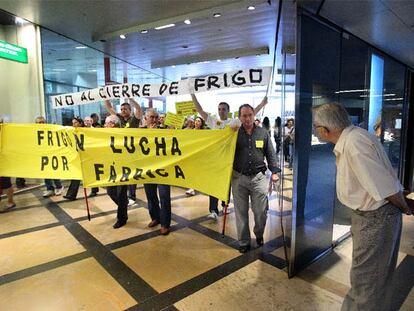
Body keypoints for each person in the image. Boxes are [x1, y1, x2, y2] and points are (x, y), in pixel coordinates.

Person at [312, 103, 414, 311]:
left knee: (369, 282)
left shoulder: (354, 144)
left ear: (325, 129)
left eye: (316, 126)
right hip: (370, 217)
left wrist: (405, 207)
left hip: (375, 218)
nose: (315, 130)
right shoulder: (354, 137)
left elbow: (385, 188)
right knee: (367, 279)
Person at [191, 93, 270, 219]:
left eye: (224, 109)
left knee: (226, 184)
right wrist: (192, 95)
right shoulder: (213, 121)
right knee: (214, 184)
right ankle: (213, 210)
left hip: (230, 159)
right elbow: (200, 110)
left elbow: (250, 114)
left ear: (228, 111)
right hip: (216, 159)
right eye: (219, 109)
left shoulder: (234, 122)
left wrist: (262, 104)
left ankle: (225, 204)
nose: (221, 111)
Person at [232, 104, 280, 253]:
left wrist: (274, 171)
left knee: (260, 211)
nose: (247, 118)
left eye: (249, 115)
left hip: (259, 177)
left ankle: (259, 234)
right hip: (238, 177)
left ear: (254, 115)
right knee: (241, 212)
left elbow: (271, 153)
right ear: (239, 117)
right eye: (244, 115)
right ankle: (244, 241)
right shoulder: (233, 134)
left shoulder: (263, 133)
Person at [105, 98, 142, 205]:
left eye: (125, 109)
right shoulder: (118, 118)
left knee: (130, 176)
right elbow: (109, 107)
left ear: (130, 110)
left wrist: (130, 97)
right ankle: (125, 201)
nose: (123, 111)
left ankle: (132, 197)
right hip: (119, 154)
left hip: (131, 153)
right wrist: (105, 96)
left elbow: (138, 108)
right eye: (121, 109)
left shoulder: (134, 120)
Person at [141, 109, 172, 235]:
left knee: (164, 196)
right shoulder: (140, 132)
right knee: (150, 195)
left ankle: (165, 224)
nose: (154, 120)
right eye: (151, 117)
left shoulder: (164, 131)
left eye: (156, 117)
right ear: (145, 118)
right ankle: (155, 217)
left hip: (163, 169)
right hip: (147, 169)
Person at [104, 115, 129, 229]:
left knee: (121, 193)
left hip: (123, 168)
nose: (104, 125)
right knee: (110, 191)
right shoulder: (104, 135)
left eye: (106, 123)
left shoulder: (122, 133)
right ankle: (123, 206)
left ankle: (122, 218)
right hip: (111, 168)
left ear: (112, 124)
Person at [35, 116, 65, 197]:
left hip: (51, 154)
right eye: (39, 122)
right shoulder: (35, 132)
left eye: (42, 122)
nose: (40, 124)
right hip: (42, 154)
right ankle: (49, 188)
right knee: (45, 172)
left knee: (53, 171)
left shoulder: (50, 130)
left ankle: (59, 186)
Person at [63, 117, 85, 200]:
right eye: (73, 123)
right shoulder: (72, 132)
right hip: (77, 157)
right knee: (76, 176)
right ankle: (71, 194)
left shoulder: (85, 132)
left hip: (86, 157)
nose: (73, 124)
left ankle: (95, 189)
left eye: (75, 122)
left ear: (80, 123)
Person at [185, 116, 205, 197]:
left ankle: (194, 187)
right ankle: (191, 188)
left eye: (199, 121)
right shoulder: (189, 131)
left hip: (200, 155)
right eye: (196, 121)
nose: (197, 122)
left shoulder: (204, 133)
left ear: (201, 123)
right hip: (191, 154)